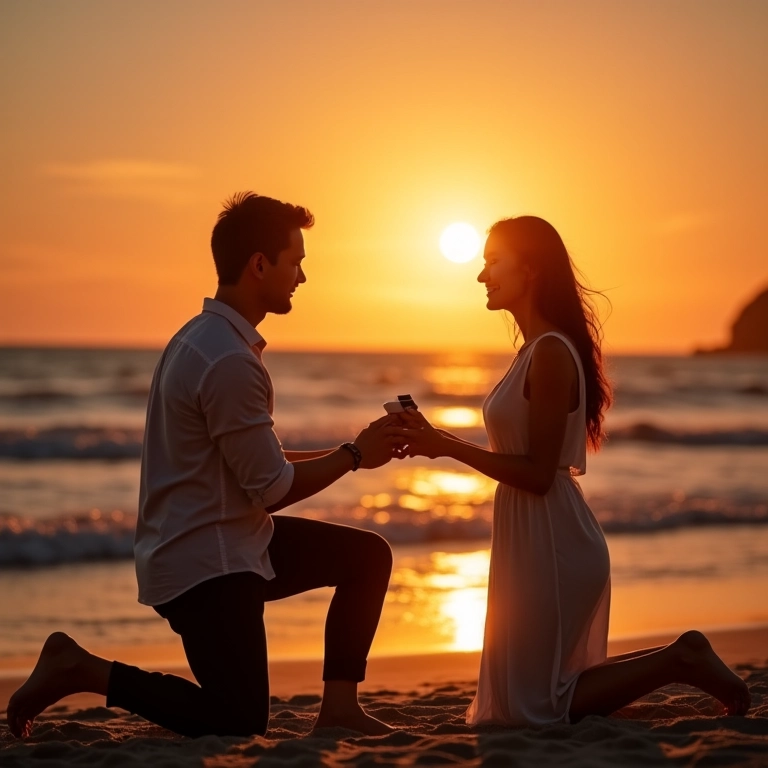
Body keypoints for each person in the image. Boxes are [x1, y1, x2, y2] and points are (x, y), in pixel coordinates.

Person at [7, 192, 401, 739]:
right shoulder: (229, 360)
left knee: (366, 557)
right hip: (206, 564)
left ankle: (338, 710)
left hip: (230, 541)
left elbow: (254, 464)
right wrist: (354, 457)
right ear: (259, 264)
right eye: (296, 262)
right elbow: (271, 487)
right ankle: (81, 668)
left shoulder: (203, 341)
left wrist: (356, 450)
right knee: (237, 720)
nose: (303, 277)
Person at [394, 215, 751, 725]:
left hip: (553, 539)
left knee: (535, 706)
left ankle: (681, 659)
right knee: (535, 696)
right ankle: (682, 655)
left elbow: (539, 473)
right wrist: (435, 440)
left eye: (494, 261)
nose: (482, 275)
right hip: (534, 533)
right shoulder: (531, 352)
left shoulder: (552, 354)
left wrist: (444, 446)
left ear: (533, 269)